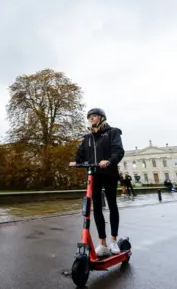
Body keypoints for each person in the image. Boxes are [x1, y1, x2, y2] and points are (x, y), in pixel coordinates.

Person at [69, 107, 125, 257]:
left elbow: (118, 151)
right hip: (94, 175)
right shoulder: (87, 138)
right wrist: (75, 161)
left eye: (94, 116)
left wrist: (109, 160)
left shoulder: (112, 132)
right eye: (90, 117)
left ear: (101, 118)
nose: (91, 119)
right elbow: (80, 154)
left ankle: (113, 240)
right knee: (97, 208)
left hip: (109, 173)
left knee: (112, 205)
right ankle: (102, 243)